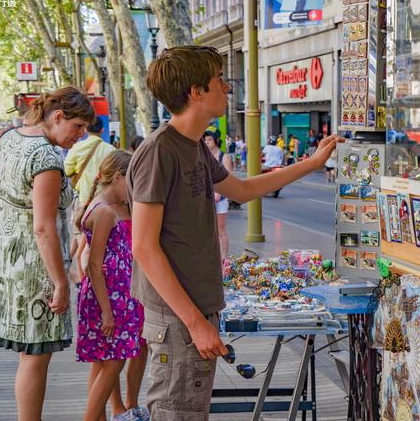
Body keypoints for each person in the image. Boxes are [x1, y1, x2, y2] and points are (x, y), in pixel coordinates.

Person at [128, 45, 339, 419]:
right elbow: (144, 247)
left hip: (196, 309)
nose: (227, 88)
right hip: (179, 318)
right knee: (175, 411)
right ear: (196, 91)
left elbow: (242, 190)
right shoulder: (159, 152)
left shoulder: (193, 147)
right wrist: (194, 323)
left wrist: (312, 163)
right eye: (219, 80)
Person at [0, 86, 95, 420]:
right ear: (58, 117)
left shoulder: (9, 138)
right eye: (78, 127)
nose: (81, 136)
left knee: (30, 355)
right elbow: (43, 227)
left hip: (4, 260)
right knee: (35, 356)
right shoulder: (45, 158)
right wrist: (60, 282)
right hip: (34, 268)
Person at [75, 151, 149, 421]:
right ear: (118, 176)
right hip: (110, 295)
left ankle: (99, 417)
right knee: (113, 361)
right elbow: (94, 264)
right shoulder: (104, 211)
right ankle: (92, 416)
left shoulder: (104, 205)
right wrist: (106, 310)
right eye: (130, 181)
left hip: (119, 293)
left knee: (105, 359)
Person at [65, 117, 115, 285]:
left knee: (81, 237)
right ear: (102, 130)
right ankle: (91, 273)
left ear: (86, 129)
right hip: (105, 203)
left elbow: (66, 171)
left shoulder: (77, 148)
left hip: (83, 201)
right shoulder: (110, 150)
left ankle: (83, 277)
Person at [204, 130, 233, 261]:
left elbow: (228, 177)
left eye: (209, 139)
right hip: (205, 197)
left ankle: (224, 259)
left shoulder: (223, 157)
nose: (207, 142)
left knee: (220, 230)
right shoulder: (203, 156)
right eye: (205, 140)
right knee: (207, 230)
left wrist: (219, 193)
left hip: (219, 198)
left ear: (215, 140)